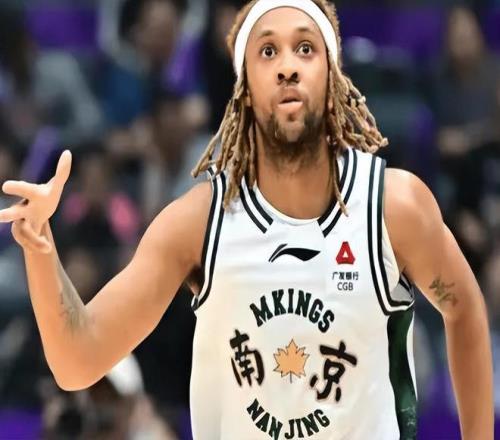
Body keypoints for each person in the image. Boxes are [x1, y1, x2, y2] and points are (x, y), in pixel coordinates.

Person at [0, 1, 493, 439]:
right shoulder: (198, 224)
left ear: (333, 77)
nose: (288, 67)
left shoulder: (393, 206)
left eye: (305, 48)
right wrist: (39, 246)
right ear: (245, 90)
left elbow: (465, 310)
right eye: (268, 52)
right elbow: (78, 362)